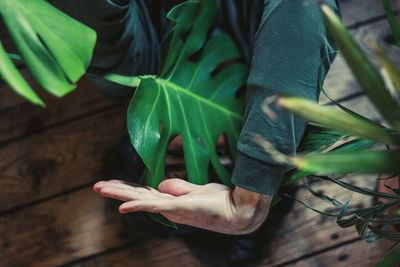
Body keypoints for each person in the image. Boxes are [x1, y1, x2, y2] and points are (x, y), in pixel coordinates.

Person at [53, 0, 339, 235]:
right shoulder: (281, 49)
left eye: (180, 157)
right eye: (224, 152)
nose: (200, 139)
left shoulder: (126, 74)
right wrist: (254, 189)